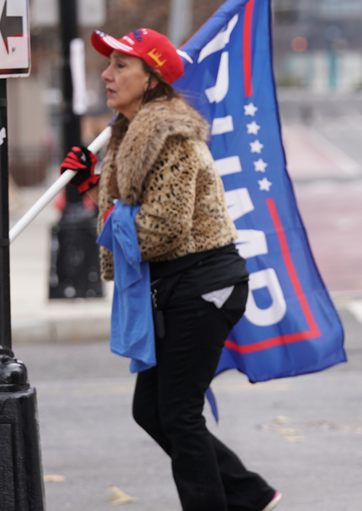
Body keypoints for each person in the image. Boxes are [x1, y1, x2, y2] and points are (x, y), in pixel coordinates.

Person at [60, 28, 281, 511]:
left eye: (122, 65)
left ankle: (227, 501)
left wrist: (105, 201)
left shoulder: (170, 139)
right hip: (175, 287)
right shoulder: (129, 133)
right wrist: (93, 185)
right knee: (152, 411)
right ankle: (248, 493)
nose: (107, 74)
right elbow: (130, 213)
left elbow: (161, 229)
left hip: (205, 286)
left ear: (153, 78)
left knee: (178, 414)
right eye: (109, 64)